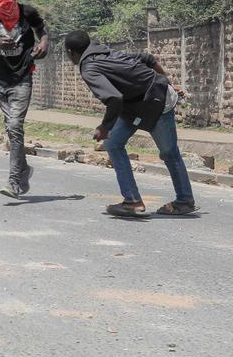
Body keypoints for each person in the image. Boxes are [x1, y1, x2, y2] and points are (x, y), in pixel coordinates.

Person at [64, 31, 197, 217]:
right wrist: (166, 81)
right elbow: (149, 59)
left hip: (157, 104)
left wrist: (104, 127)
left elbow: (114, 98)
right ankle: (132, 201)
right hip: (134, 107)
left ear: (71, 53)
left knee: (169, 153)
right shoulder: (107, 53)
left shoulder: (89, 68)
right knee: (113, 143)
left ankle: (184, 201)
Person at [0, 0, 49, 199]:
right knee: (12, 128)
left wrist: (43, 45)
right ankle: (24, 170)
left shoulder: (28, 13)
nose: (4, 0)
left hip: (23, 77)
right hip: (0, 79)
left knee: (15, 126)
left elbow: (43, 33)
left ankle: (15, 181)